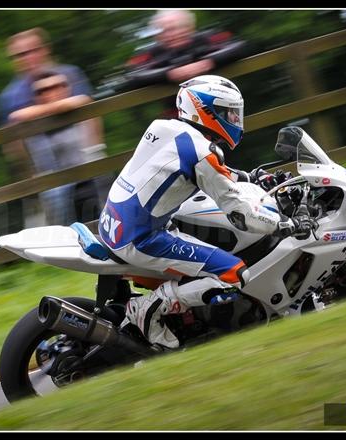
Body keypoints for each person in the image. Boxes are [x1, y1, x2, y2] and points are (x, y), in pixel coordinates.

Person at [98, 75, 314, 349]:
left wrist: (249, 176)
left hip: (113, 222)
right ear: (207, 112)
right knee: (236, 276)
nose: (235, 121)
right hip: (141, 237)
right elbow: (241, 215)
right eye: (229, 114)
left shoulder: (165, 127)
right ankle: (147, 308)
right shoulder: (203, 152)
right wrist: (285, 224)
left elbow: (204, 173)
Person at [0, 27, 108, 226]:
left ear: (45, 49)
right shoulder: (10, 96)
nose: (28, 57)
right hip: (45, 170)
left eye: (33, 50)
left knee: (105, 218)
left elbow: (87, 107)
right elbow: (12, 139)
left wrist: (96, 152)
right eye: (20, 54)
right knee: (60, 229)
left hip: (85, 158)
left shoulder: (71, 73)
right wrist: (29, 176)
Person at [8, 70, 109, 225]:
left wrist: (47, 109)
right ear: (36, 96)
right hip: (54, 189)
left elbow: (82, 100)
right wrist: (55, 108)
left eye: (58, 86)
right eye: (43, 90)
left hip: (88, 179)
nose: (52, 92)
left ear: (67, 87)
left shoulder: (80, 104)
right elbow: (15, 117)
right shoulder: (31, 121)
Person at [94, 10, 246, 105]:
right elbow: (132, 75)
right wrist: (170, 73)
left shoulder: (206, 39)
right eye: (164, 31)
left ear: (189, 27)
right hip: (177, 118)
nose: (169, 35)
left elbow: (238, 46)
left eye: (174, 29)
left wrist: (207, 62)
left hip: (219, 107)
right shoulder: (154, 52)